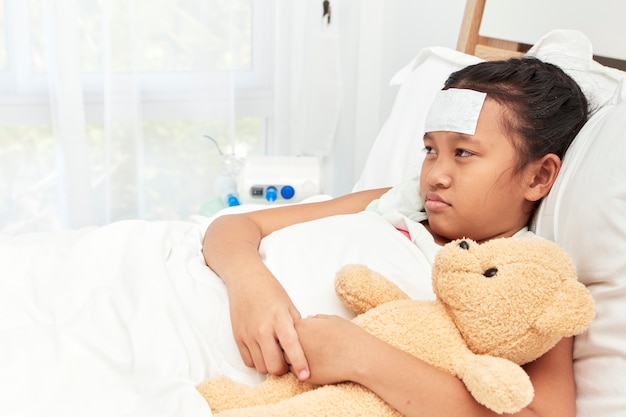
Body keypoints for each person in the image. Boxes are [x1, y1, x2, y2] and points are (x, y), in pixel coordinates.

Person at [202, 56, 588, 417]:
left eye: (464, 153)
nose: (435, 174)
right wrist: (251, 287)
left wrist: (360, 356)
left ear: (538, 177)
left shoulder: (531, 287)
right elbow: (232, 227)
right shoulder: (394, 204)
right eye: (430, 149)